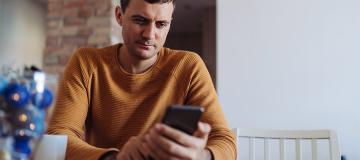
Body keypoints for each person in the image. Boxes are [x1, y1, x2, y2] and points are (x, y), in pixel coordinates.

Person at [47, 0, 237, 159]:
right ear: (119, 16)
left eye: (161, 24)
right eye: (140, 21)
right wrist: (115, 158)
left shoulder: (188, 66)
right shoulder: (86, 62)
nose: (149, 35)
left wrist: (199, 155)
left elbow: (225, 140)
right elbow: (58, 136)